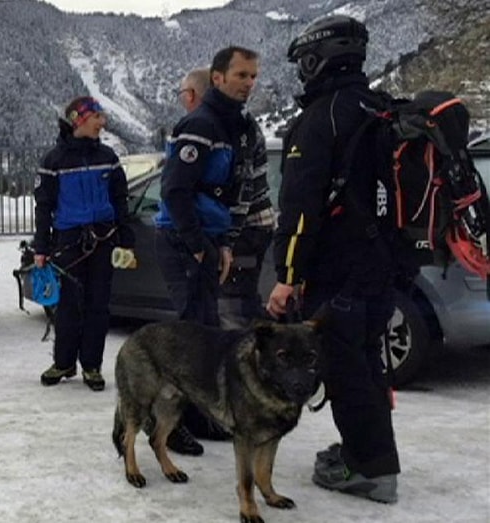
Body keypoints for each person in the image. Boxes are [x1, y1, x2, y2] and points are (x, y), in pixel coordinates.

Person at [266, 14, 400, 504]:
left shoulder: (322, 117)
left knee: (345, 371)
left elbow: (300, 207)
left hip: (339, 269)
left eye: (305, 61)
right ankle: (372, 454)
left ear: (316, 60)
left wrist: (287, 275)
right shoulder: (378, 108)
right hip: (383, 266)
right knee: (369, 364)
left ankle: (370, 470)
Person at [152, 47, 262, 455]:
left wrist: (225, 245)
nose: (248, 83)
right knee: (186, 338)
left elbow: (235, 193)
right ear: (218, 78)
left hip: (210, 241)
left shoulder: (237, 127)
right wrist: (197, 245)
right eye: (241, 75)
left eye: (253, 76)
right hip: (183, 240)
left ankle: (199, 417)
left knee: (207, 334)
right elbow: (174, 190)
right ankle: (167, 423)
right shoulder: (201, 124)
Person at [32, 96, 134, 392]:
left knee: (98, 303)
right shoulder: (53, 161)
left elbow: (120, 199)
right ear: (79, 119)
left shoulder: (108, 157)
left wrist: (125, 237)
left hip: (103, 237)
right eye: (97, 117)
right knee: (68, 304)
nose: (103, 122)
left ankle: (91, 365)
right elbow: (43, 207)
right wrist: (41, 247)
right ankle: (64, 362)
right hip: (69, 240)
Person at [178, 67, 276, 329]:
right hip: (249, 225)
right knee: (233, 305)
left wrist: (227, 242)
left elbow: (241, 190)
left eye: (182, 95)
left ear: (193, 94)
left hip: (243, 229)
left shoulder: (229, 127)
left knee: (232, 308)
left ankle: (241, 353)